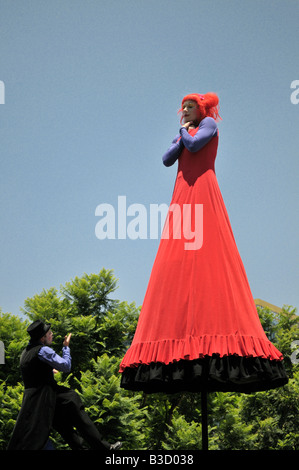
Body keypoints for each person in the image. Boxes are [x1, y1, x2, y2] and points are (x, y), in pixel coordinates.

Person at [119, 92, 288, 394]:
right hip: (183, 193)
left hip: (203, 188)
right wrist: (181, 134)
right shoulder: (185, 132)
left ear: (201, 109)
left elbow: (196, 145)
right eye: (182, 108)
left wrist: (183, 132)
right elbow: (166, 159)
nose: (184, 111)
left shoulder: (208, 125)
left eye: (189, 107)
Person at [8, 320, 122, 451]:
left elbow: (32, 370)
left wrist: (48, 370)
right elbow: (66, 366)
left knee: (63, 425)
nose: (52, 335)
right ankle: (104, 447)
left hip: (33, 401)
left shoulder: (25, 353)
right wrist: (66, 347)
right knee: (73, 399)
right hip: (46, 394)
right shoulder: (44, 350)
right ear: (42, 337)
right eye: (49, 333)